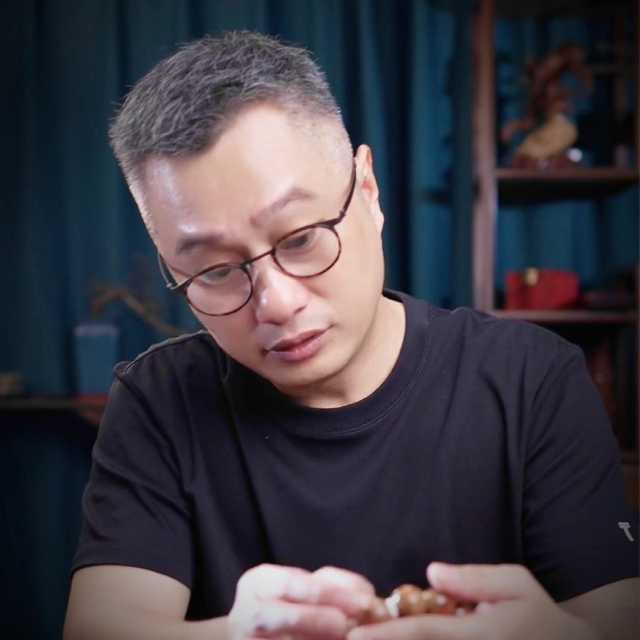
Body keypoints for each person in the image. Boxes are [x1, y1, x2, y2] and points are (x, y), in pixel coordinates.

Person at [63, 31, 638, 640]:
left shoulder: (531, 378)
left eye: (301, 238)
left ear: (367, 190)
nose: (277, 304)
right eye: (215, 271)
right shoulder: (159, 399)